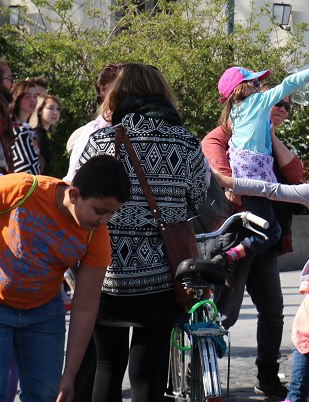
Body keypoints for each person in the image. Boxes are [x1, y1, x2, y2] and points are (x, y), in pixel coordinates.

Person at [76, 63, 209, 402]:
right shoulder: (186, 142)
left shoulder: (102, 140)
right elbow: (196, 201)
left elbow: (82, 200)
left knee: (106, 365)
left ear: (117, 95)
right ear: (163, 94)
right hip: (162, 276)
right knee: (149, 375)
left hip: (106, 272)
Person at [0, 155, 129, 402]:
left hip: (41, 312)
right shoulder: (25, 188)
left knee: (45, 395)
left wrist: (70, 375)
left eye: (112, 213)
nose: (104, 221)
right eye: (100, 211)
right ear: (74, 195)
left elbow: (86, 307)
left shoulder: (95, 236)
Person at [202, 91, 309, 400]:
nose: (282, 109)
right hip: (235, 236)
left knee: (273, 309)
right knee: (224, 313)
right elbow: (231, 191)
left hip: (265, 241)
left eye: (287, 106)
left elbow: (294, 175)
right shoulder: (219, 140)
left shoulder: (263, 137)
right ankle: (202, 375)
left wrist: (271, 135)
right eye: (276, 103)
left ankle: (266, 375)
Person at [212, 136, 309, 402]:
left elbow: (281, 183)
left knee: (293, 325)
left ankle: (287, 389)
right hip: (239, 233)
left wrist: (227, 181)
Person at [215, 46, 309, 266]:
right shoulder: (257, 103)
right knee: (270, 233)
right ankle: (228, 257)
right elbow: (289, 83)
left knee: (266, 229)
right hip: (254, 183)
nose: (258, 88)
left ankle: (233, 254)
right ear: (241, 88)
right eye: (254, 83)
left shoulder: (235, 112)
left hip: (246, 180)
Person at [66, 64, 124, 180]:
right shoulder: (90, 132)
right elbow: (74, 178)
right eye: (101, 98)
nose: (107, 104)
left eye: (114, 98)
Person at [9, 77, 47, 178]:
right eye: (27, 96)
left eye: (35, 96)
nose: (33, 100)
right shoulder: (14, 129)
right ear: (17, 98)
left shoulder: (28, 129)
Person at [28, 93, 61, 174]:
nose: (55, 112)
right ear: (39, 110)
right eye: (51, 108)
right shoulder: (37, 135)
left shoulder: (41, 134)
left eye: (58, 109)